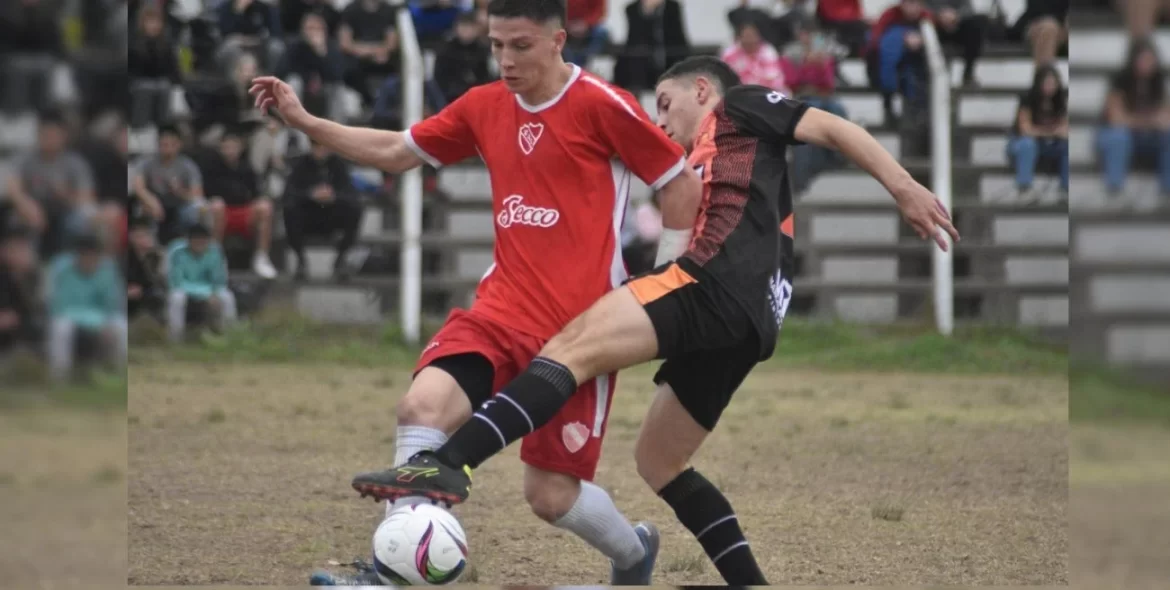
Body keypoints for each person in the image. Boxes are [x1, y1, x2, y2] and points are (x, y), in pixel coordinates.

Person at [354, 56, 960, 585]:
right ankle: (749, 583)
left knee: (569, 345)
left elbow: (832, 126)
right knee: (658, 462)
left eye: (666, 104)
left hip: (715, 284)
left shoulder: (740, 106)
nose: (661, 120)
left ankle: (449, 462)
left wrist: (903, 186)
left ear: (703, 89)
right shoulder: (695, 158)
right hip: (751, 325)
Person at [251, 0, 702, 585]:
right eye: (496, 45)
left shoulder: (601, 104)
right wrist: (307, 122)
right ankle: (391, 572)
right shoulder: (483, 106)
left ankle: (633, 554)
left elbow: (680, 184)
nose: (505, 60)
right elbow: (396, 151)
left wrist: (660, 291)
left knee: (549, 495)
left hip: (582, 334)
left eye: (520, 46)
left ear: (558, 40)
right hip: (499, 310)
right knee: (420, 409)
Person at [45, 232, 127, 382]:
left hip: (100, 317)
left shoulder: (108, 269)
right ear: (77, 255)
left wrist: (105, 322)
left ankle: (119, 371)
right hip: (68, 316)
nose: (89, 260)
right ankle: (59, 375)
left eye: (93, 256)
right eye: (85, 255)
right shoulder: (61, 269)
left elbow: (113, 304)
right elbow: (58, 306)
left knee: (120, 326)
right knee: (60, 327)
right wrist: (96, 324)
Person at [1096, 38, 1170, 202]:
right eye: (1143, 60)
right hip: (1115, 136)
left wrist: (1154, 121)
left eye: (1151, 60)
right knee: (1118, 136)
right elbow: (1117, 119)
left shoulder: (1158, 81)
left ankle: (1167, 189)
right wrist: (1149, 121)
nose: (1147, 64)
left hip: (1146, 136)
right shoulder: (1120, 80)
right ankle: (1115, 189)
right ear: (1133, 60)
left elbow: (1165, 117)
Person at [282, 141, 364, 281]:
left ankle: (340, 260)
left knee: (355, 209)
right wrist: (311, 195)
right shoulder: (301, 165)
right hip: (308, 217)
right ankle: (301, 260)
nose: (321, 151)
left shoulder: (338, 165)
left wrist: (333, 196)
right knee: (289, 209)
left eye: (324, 146)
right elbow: (289, 193)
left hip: (331, 216)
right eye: (317, 147)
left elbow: (350, 193)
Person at [165, 223, 237, 343]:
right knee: (176, 297)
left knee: (227, 297)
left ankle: (231, 335)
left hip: (208, 289)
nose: (199, 244)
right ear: (188, 241)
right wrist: (205, 294)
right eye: (196, 241)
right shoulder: (177, 252)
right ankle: (175, 338)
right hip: (184, 288)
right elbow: (176, 281)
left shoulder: (215, 251)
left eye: (203, 241)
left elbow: (219, 279)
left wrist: (213, 292)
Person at [1007, 65, 1069, 198]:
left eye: (1053, 83)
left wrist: (1058, 132)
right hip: (1021, 145)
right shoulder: (1027, 99)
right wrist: (1051, 132)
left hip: (1048, 145)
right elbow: (1025, 130)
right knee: (1027, 144)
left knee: (1068, 146)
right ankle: (1024, 188)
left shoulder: (1060, 100)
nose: (1050, 87)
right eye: (1047, 83)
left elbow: (1064, 129)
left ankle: (1066, 189)